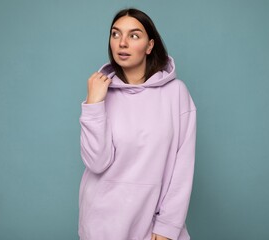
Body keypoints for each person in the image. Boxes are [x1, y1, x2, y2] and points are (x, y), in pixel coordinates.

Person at [78, 8, 197, 240]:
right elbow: (97, 163)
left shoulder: (176, 93)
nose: (122, 43)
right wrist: (93, 104)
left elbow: (183, 166)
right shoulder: (100, 92)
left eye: (134, 35)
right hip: (102, 223)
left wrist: (168, 226)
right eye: (115, 34)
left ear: (149, 45)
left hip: (153, 224)